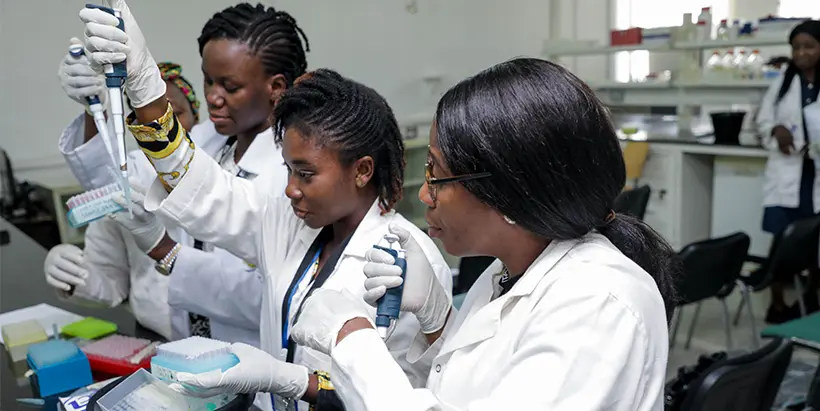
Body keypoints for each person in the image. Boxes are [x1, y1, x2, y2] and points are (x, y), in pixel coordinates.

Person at [79, 2, 453, 410]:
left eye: (305, 174)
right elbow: (200, 185)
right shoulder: (286, 224)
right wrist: (144, 84)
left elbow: (405, 394)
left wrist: (299, 383)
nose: (290, 189)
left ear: (362, 170)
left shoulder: (408, 262)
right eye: (289, 171)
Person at [286, 58, 680, 411]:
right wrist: (437, 319)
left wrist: (353, 341)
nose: (424, 194)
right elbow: (463, 389)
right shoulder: (506, 272)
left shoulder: (599, 305)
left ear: (508, 193)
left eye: (436, 175)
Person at [46, 2, 310, 347]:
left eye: (229, 87)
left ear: (276, 87)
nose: (213, 97)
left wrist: (167, 251)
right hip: (178, 350)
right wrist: (94, 111)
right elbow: (119, 184)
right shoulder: (204, 142)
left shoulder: (294, 174)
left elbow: (276, 297)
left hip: (252, 363)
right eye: (208, 80)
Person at [45, 55, 202, 340]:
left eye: (175, 114)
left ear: (197, 118)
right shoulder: (130, 178)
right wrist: (72, 276)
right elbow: (110, 283)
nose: (162, 127)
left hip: (230, 342)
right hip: (155, 338)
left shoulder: (224, 176)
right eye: (149, 118)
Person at [756, 19, 820, 324]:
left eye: (809, 46)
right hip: (787, 171)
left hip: (815, 176)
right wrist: (775, 129)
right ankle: (778, 303)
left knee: (813, 241)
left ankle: (811, 298)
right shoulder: (783, 82)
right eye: (796, 47)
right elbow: (763, 120)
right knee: (781, 240)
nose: (802, 53)